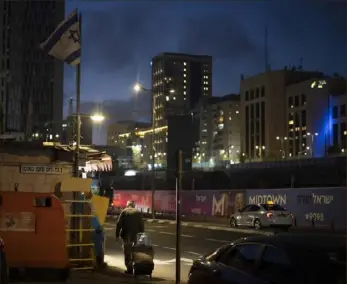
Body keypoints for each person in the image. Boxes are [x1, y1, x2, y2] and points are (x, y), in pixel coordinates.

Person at [115, 200, 144, 274]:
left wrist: (117, 235)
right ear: (134, 205)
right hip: (136, 236)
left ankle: (129, 269)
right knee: (136, 252)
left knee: (127, 252)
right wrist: (141, 235)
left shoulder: (124, 211)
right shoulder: (137, 212)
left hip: (126, 235)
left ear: (127, 205)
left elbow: (119, 224)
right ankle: (137, 268)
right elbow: (141, 225)